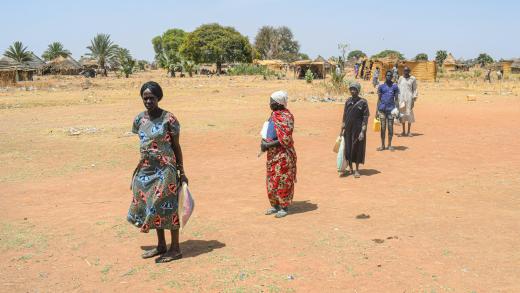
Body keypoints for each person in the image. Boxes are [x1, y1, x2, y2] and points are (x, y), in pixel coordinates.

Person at [127, 81, 189, 263]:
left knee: (166, 206)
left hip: (165, 168)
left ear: (158, 98)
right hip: (146, 168)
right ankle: (161, 245)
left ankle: (175, 248)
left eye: (151, 98)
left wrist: (181, 171)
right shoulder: (139, 119)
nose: (148, 101)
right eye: (145, 98)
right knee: (152, 205)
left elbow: (176, 146)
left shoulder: (169, 119)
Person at [261, 91, 297, 218]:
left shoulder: (287, 117)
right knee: (272, 179)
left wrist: (268, 145)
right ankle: (275, 205)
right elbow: (267, 130)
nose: (269, 104)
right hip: (272, 154)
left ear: (277, 103)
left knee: (283, 180)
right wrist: (263, 142)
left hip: (283, 155)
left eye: (271, 101)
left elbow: (285, 139)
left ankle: (284, 207)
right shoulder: (273, 115)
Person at [340, 82, 369, 178]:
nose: (352, 91)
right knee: (348, 148)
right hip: (348, 129)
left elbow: (365, 118)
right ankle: (351, 168)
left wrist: (362, 131)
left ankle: (357, 169)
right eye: (351, 89)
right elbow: (344, 116)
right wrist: (342, 129)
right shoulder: (348, 101)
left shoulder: (363, 102)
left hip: (358, 129)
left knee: (357, 148)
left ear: (358, 90)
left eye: (355, 89)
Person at [377, 71, 399, 151]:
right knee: (382, 128)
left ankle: (389, 145)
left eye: (390, 75)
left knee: (390, 128)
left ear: (392, 76)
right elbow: (379, 99)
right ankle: (382, 145)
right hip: (382, 110)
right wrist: (377, 111)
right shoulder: (381, 87)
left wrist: (397, 110)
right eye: (387, 75)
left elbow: (396, 99)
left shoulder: (395, 87)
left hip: (391, 111)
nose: (388, 76)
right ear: (385, 76)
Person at [398, 66, 418, 137]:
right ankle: (403, 131)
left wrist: (413, 99)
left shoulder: (413, 79)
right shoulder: (400, 78)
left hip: (409, 98)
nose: (406, 72)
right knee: (402, 114)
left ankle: (409, 131)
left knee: (409, 114)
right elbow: (398, 88)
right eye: (404, 71)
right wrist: (397, 99)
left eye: (407, 71)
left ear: (409, 71)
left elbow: (415, 89)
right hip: (401, 98)